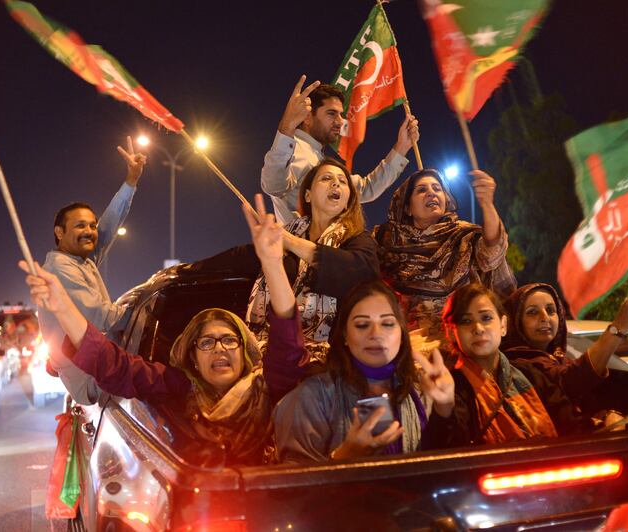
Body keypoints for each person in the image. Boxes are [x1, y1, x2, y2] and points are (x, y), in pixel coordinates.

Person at [20, 194, 310, 466]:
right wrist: (62, 308)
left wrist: (272, 264)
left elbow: (287, 343)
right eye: (207, 342)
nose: (220, 348)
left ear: (246, 349)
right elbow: (112, 364)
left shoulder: (269, 388)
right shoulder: (176, 390)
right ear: (192, 356)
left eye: (229, 340)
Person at [192, 159, 380, 360]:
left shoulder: (358, 239)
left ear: (348, 200)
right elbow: (239, 257)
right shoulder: (282, 237)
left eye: (342, 182)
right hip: (269, 350)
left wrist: (291, 242)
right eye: (326, 178)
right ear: (307, 195)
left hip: (331, 359)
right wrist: (190, 269)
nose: (336, 183)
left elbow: (361, 273)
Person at [273, 279, 457, 463]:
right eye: (362, 325)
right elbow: (291, 483)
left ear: (402, 335)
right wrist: (346, 456)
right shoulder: (312, 397)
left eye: (387, 324)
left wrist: (445, 408)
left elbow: (443, 471)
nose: (376, 333)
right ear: (345, 335)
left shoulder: (421, 391)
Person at [37, 137, 146, 405]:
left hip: (99, 364)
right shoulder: (61, 270)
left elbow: (108, 227)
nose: (89, 231)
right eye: (80, 226)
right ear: (59, 232)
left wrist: (130, 181)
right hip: (92, 381)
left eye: (91, 225)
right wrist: (147, 306)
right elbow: (103, 318)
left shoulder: (79, 259)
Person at [374, 168, 516, 349]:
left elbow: (492, 254)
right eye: (421, 190)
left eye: (437, 188)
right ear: (407, 208)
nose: (431, 193)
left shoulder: (463, 235)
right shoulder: (387, 243)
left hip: (464, 338)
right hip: (407, 343)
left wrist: (488, 204)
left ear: (446, 200)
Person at [261, 76, 419, 224]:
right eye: (331, 114)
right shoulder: (296, 149)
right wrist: (286, 127)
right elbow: (274, 186)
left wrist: (402, 146)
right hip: (301, 250)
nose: (340, 122)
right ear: (307, 117)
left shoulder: (317, 157)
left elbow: (365, 189)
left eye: (340, 115)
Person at [502, 282, 628, 434]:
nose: (544, 317)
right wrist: (619, 326)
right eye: (532, 312)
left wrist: (609, 415)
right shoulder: (518, 365)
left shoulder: (559, 358)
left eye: (551, 310)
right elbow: (570, 382)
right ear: (515, 321)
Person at [425, 284, 558, 447]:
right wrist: (444, 407)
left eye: (486, 318)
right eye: (466, 321)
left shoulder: (532, 374)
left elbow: (571, 425)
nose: (478, 329)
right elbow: (447, 454)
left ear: (503, 325)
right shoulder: (453, 388)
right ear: (452, 332)